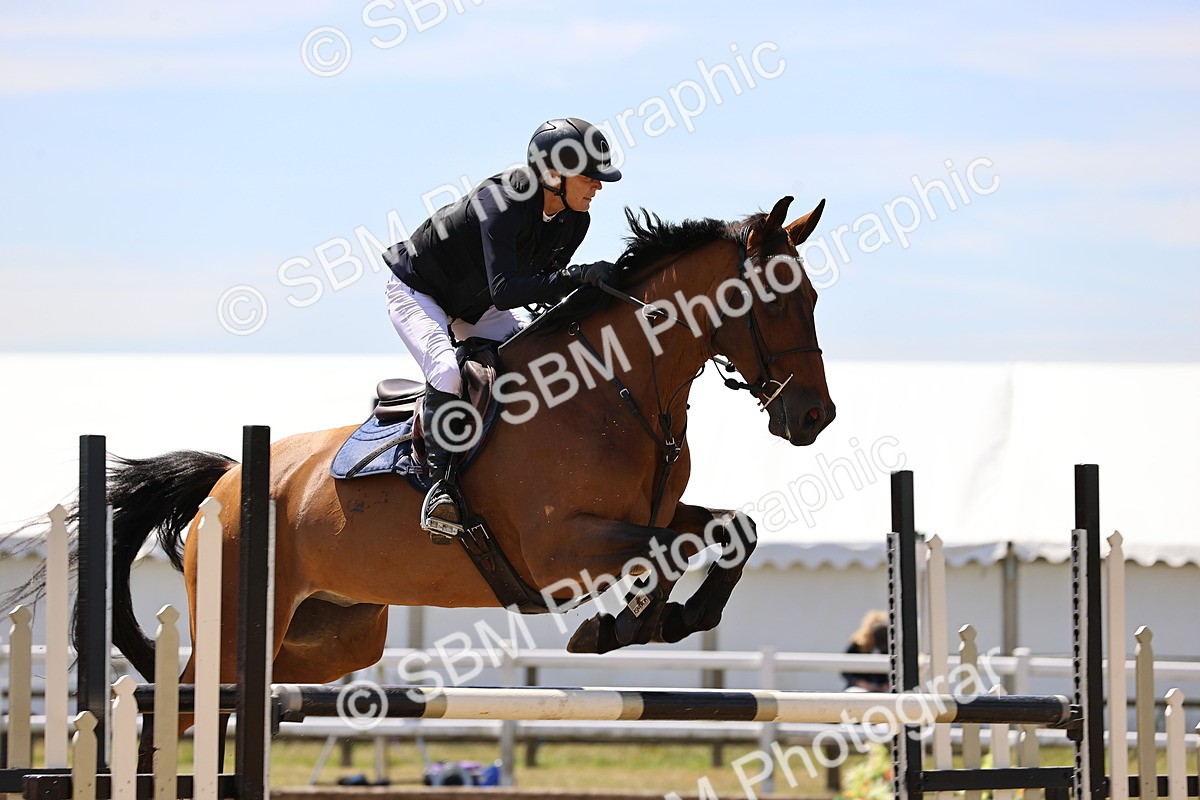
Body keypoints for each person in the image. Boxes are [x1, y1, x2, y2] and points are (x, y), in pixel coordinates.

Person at [382, 117, 623, 543]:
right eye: (589, 176)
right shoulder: (504, 201)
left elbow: (545, 291)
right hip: (421, 291)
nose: (598, 186)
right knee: (447, 373)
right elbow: (508, 289)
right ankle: (441, 491)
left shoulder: (575, 221)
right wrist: (577, 276)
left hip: (479, 304)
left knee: (525, 362)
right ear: (553, 174)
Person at [842, 609, 890, 692]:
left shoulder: (888, 645)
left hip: (883, 687)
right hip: (860, 687)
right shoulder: (858, 644)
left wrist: (886, 684)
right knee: (855, 692)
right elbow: (846, 670)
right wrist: (862, 683)